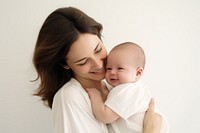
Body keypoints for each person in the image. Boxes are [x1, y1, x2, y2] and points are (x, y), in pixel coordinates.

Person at [33, 6, 163, 133]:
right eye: (83, 61)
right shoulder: (70, 97)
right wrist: (152, 129)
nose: (99, 65)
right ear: (65, 64)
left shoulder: (114, 84)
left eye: (98, 50)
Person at [87, 42, 169, 133]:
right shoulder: (134, 88)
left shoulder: (127, 90)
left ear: (138, 73)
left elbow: (105, 116)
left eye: (120, 68)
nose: (112, 72)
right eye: (109, 68)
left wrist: (95, 95)